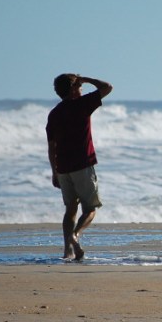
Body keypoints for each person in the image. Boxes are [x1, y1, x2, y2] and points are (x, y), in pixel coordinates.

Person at [46, 73, 113, 261]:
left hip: (63, 168)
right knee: (90, 209)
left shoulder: (54, 114)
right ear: (74, 89)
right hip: (82, 165)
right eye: (79, 86)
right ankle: (75, 235)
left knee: (70, 209)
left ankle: (67, 250)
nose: (82, 89)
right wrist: (87, 79)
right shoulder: (81, 105)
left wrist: (54, 172)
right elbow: (107, 87)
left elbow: (51, 147)